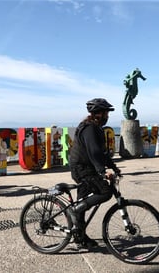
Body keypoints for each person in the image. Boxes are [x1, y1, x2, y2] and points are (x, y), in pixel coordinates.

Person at [68, 98, 121, 249]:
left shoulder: (94, 127)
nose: (107, 116)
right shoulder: (90, 128)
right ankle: (75, 210)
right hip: (82, 168)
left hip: (85, 167)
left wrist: (114, 167)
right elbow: (94, 152)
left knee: (83, 199)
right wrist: (103, 172)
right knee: (105, 191)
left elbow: (102, 153)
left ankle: (80, 237)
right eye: (106, 113)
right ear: (99, 114)